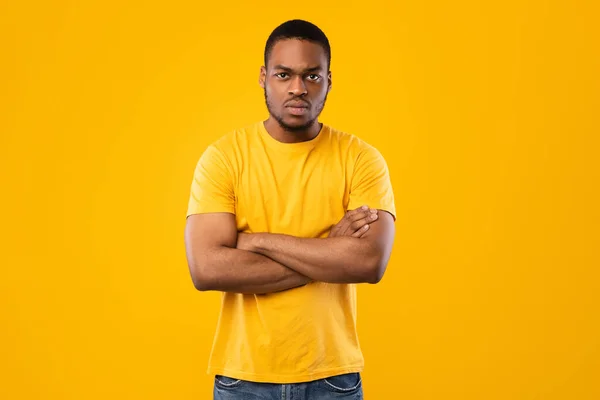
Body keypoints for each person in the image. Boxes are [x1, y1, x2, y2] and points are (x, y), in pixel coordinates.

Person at [184, 19, 396, 400]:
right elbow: (206, 268)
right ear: (264, 77)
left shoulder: (361, 159)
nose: (298, 88)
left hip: (333, 377)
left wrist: (254, 242)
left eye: (311, 76)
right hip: (242, 378)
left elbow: (368, 263)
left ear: (329, 81)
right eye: (284, 74)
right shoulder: (224, 158)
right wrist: (330, 248)